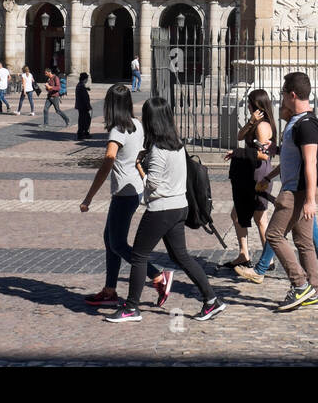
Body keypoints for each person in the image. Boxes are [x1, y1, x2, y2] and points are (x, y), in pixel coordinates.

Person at [104, 97, 225, 322]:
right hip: (180, 207)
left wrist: (140, 168)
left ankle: (131, 308)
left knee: (139, 256)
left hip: (161, 209)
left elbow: (152, 185)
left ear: (152, 121)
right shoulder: (178, 145)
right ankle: (211, 300)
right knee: (181, 256)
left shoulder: (158, 150)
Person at [80, 84, 173, 309]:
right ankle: (110, 290)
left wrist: (89, 197)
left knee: (118, 244)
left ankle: (158, 277)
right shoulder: (138, 125)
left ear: (110, 106)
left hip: (123, 192)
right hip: (134, 188)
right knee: (109, 239)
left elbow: (108, 160)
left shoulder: (117, 131)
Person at [263, 71, 318, 312]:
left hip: (296, 192)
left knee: (274, 235)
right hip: (298, 189)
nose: (281, 98)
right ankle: (313, 291)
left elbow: (310, 163)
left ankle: (300, 285)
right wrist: (271, 171)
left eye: (283, 93)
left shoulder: (306, 125)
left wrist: (310, 199)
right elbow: (293, 159)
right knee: (303, 242)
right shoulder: (296, 122)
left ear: (292, 94)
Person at [224, 89, 276, 269]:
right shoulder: (256, 123)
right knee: (238, 214)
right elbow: (240, 136)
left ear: (257, 106)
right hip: (248, 174)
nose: (247, 106)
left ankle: (267, 258)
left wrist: (237, 153)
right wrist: (250, 121)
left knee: (260, 219)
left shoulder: (262, 127)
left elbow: (263, 156)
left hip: (257, 175)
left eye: (249, 103)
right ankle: (244, 254)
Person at [75, 72, 92, 139]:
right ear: (85, 79)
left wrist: (86, 89)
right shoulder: (81, 86)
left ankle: (84, 132)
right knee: (84, 120)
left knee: (85, 119)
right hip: (83, 106)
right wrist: (88, 106)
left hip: (80, 106)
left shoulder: (80, 85)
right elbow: (84, 98)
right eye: (87, 78)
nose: (87, 80)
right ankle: (81, 134)